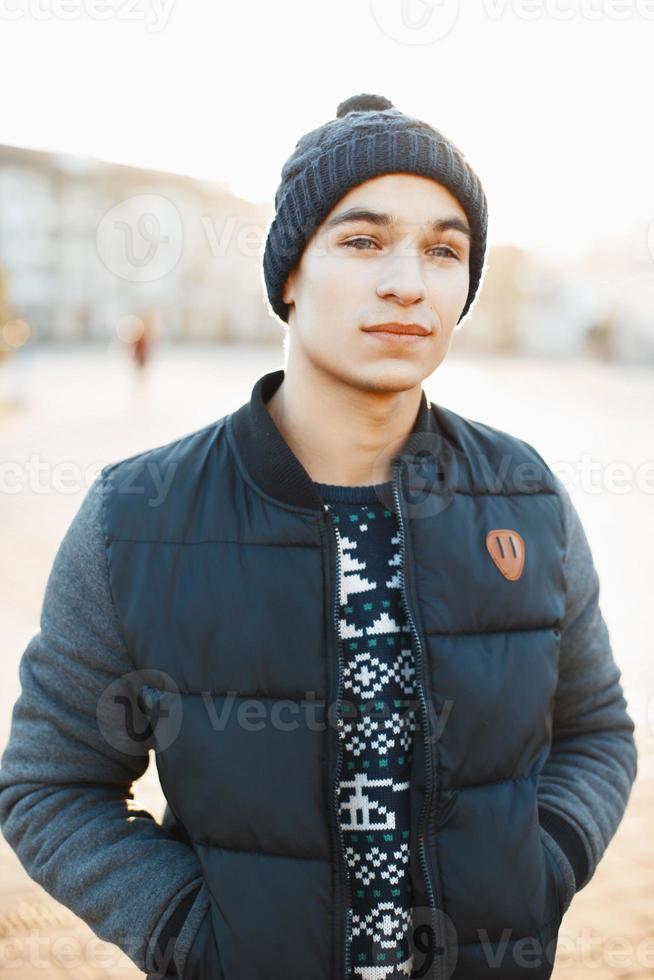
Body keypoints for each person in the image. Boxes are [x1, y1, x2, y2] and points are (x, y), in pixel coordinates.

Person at [0, 94, 637, 980]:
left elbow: (596, 730)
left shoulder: (522, 494)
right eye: (364, 240)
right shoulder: (136, 520)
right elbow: (51, 785)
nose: (408, 282)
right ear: (289, 273)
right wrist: (193, 934)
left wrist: (549, 864)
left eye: (444, 249)